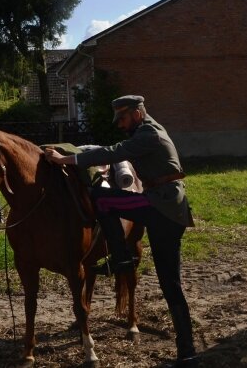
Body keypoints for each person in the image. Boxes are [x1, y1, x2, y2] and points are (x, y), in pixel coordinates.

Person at [44, 96, 199, 367]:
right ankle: (187, 352)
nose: (120, 124)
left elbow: (113, 152)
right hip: (164, 206)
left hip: (162, 205)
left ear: (137, 113)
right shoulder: (147, 129)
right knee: (170, 284)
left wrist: (66, 159)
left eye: (123, 119)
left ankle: (121, 259)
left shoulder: (148, 133)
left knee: (103, 200)